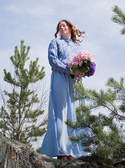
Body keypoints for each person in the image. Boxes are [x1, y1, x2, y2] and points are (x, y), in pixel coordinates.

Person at [40, 20, 88, 160]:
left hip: (75, 81)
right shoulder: (55, 43)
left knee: (75, 112)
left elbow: (84, 64)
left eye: (64, 25)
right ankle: (61, 151)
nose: (62, 27)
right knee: (60, 111)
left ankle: (73, 150)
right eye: (60, 26)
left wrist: (84, 71)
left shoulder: (78, 47)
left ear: (70, 28)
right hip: (60, 76)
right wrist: (69, 70)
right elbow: (52, 60)